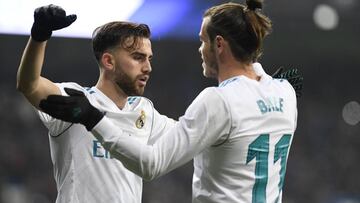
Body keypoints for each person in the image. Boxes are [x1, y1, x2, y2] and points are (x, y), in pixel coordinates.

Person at [40, 1, 301, 202]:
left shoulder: (218, 100)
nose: (200, 49)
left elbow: (152, 164)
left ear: (218, 45)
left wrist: (93, 118)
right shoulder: (284, 92)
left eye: (202, 40)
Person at [16, 4, 176, 203]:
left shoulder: (144, 111)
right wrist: (39, 37)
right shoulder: (76, 100)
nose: (148, 67)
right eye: (138, 58)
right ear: (109, 61)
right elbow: (29, 85)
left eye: (149, 59)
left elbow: (191, 135)